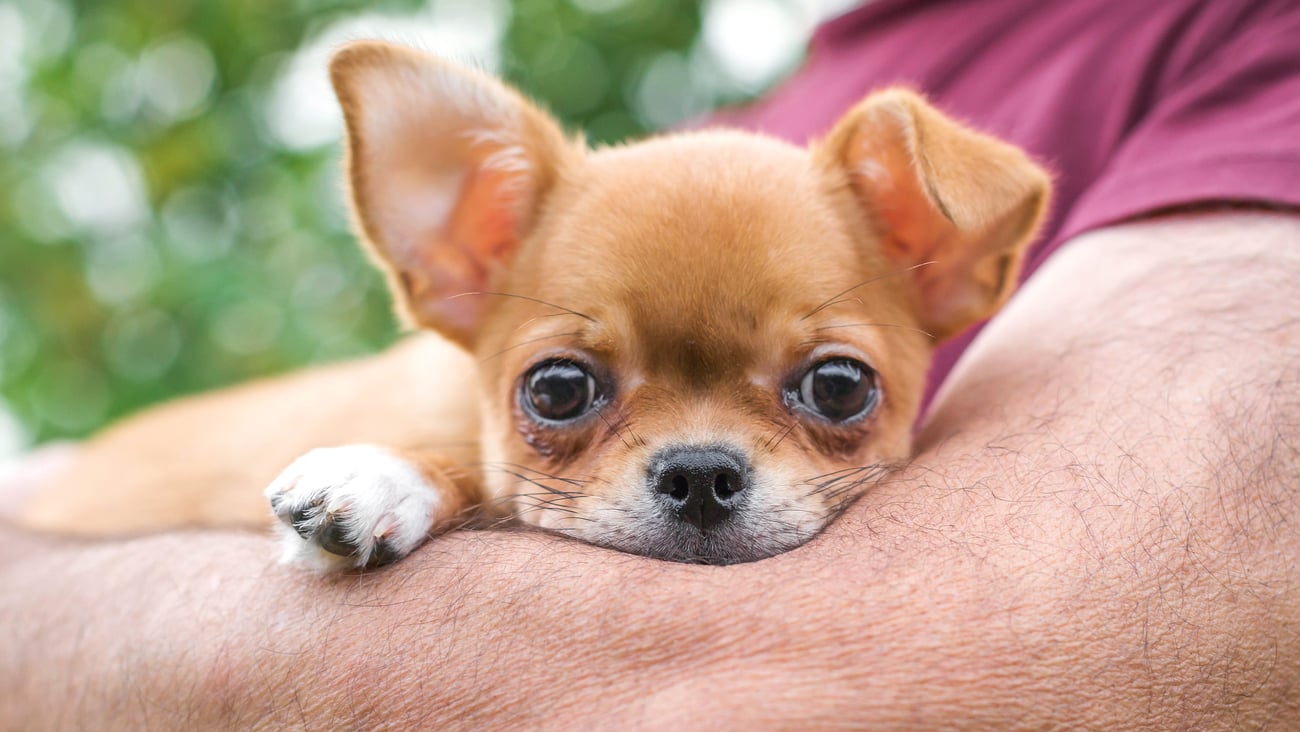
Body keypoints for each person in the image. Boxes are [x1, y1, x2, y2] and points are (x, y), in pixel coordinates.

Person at [3, 0, 1298, 726]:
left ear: (938, 265)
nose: (696, 469)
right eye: (567, 394)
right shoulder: (691, 163)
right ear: (458, 258)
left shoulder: (1236, 35)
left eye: (827, 391)